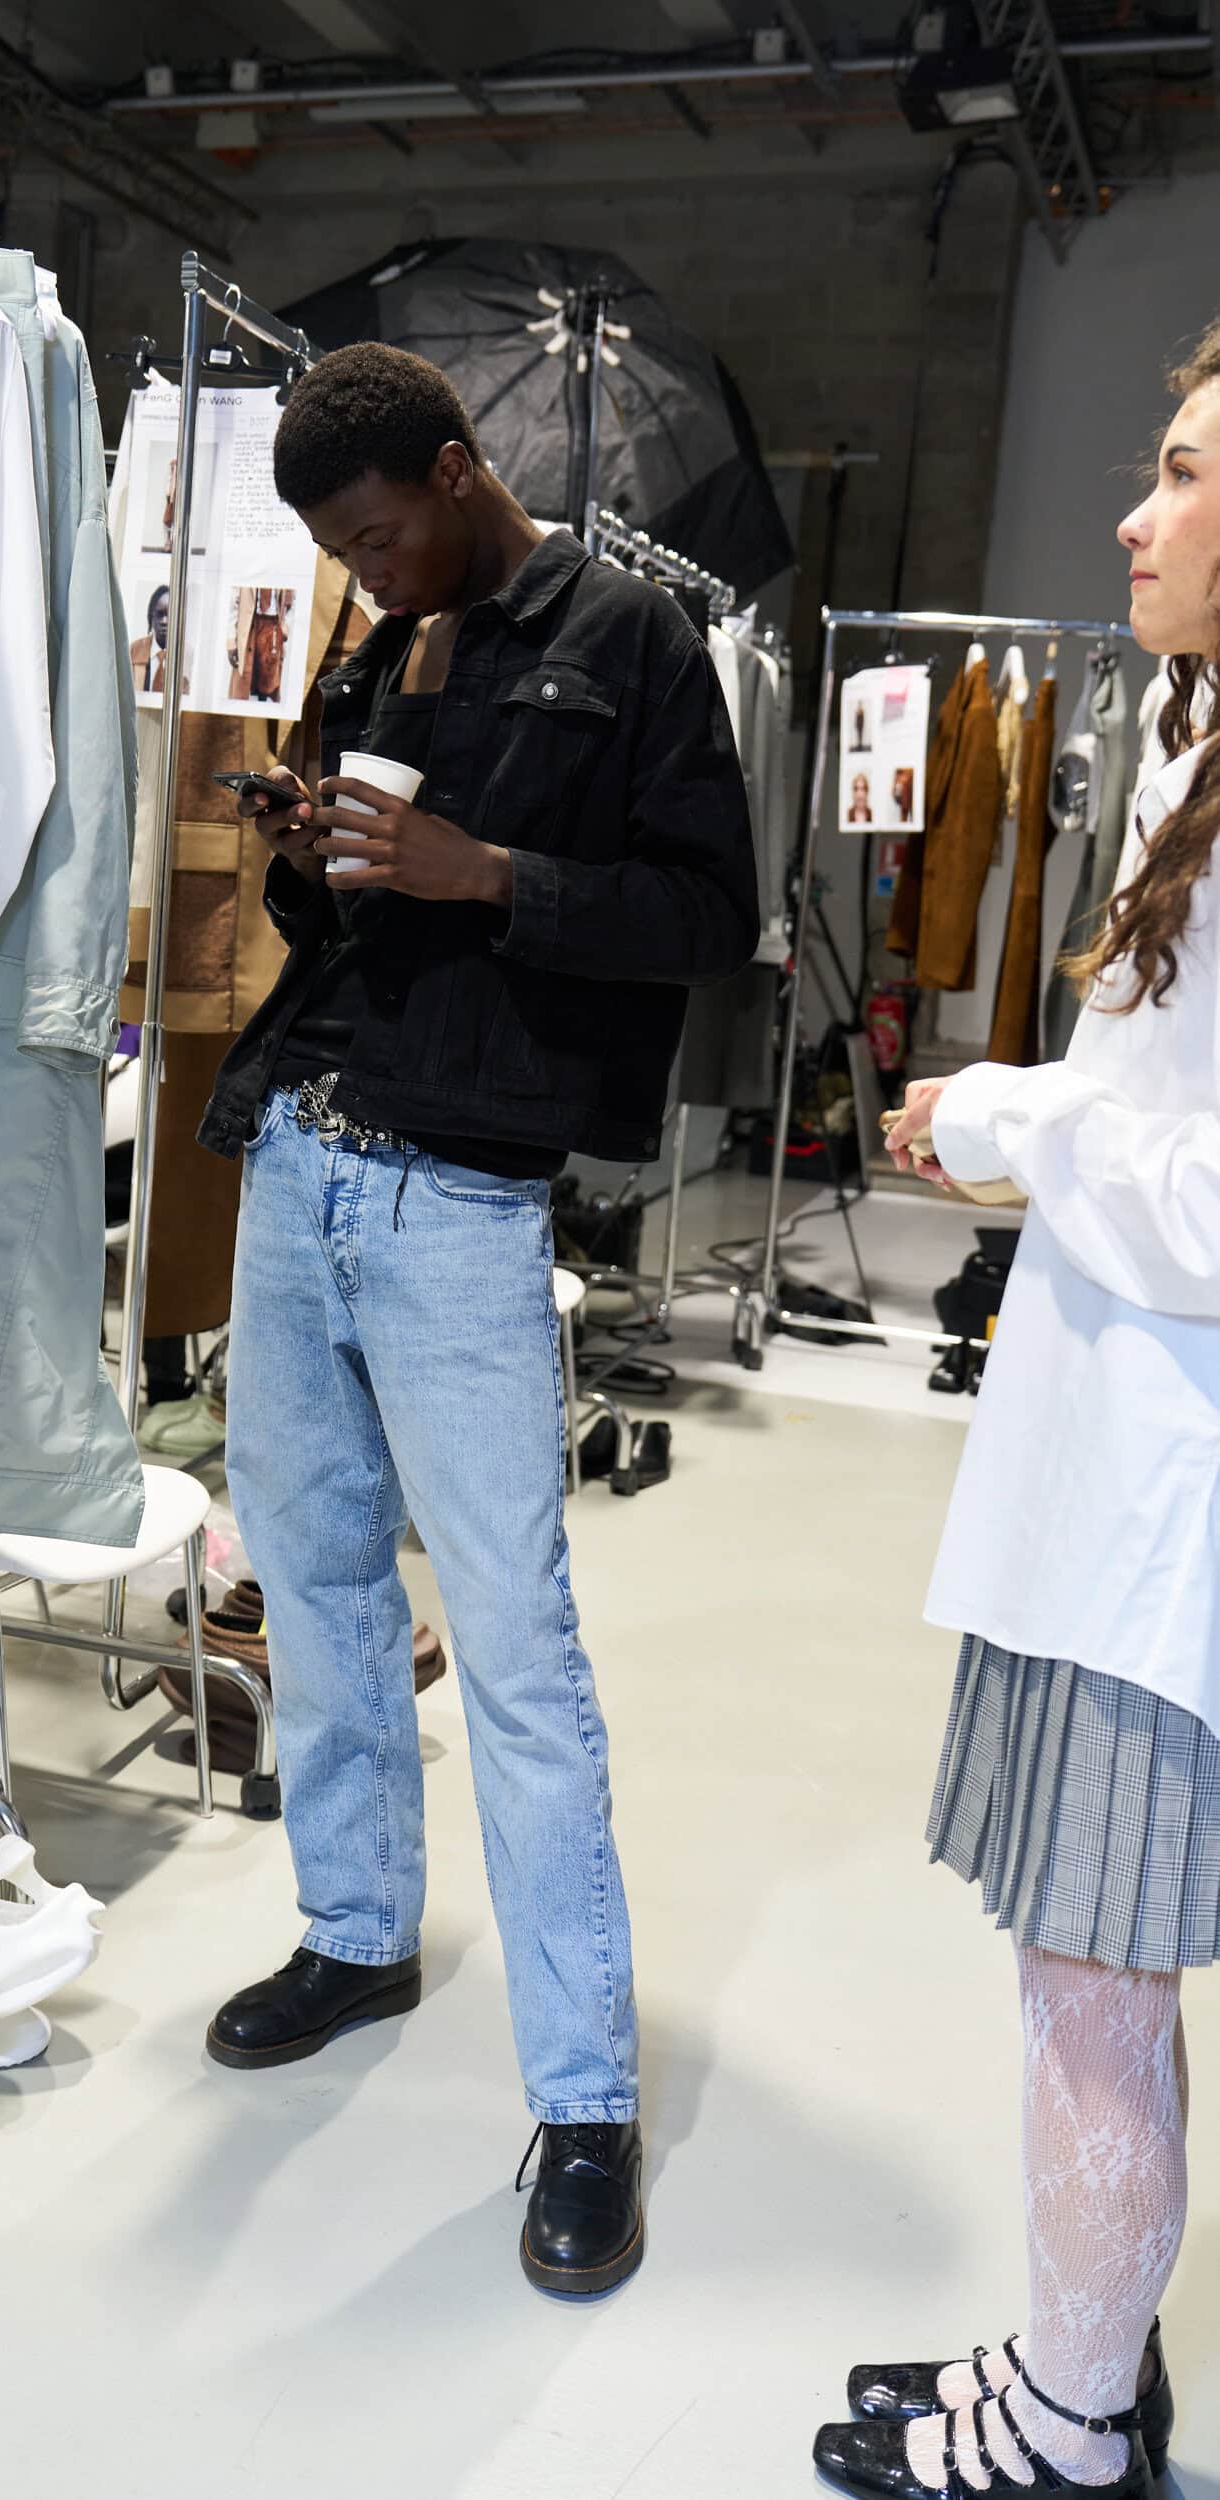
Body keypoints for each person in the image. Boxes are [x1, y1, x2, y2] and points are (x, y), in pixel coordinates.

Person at [196, 341, 757, 2295]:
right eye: (339, 551)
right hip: (302, 1158)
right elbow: (350, 924)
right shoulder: (379, 646)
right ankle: (357, 1930)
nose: (368, 572)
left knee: (514, 1639)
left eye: (378, 531)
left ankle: (583, 2094)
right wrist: (310, 848)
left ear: (453, 471)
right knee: (320, 1575)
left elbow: (708, 916)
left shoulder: (634, 640)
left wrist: (483, 867)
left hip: (462, 1193)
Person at [814, 324, 1220, 2499]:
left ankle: (1069, 2425)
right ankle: (1088, 2349)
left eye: (1174, 473)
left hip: (1174, 1490)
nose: (1132, 514)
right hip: (1114, 1449)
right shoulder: (1195, 746)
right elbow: (1166, 1102)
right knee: (1088, 1970)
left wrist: (1023, 1128)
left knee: (1094, 1978)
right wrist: (1015, 1109)